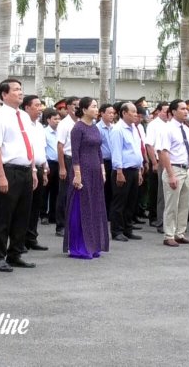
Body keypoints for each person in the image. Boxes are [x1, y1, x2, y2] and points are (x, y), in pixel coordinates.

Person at [0, 79, 38, 272]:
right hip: (9, 170)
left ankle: (15, 253)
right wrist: (1, 175)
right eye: (16, 89)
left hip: (26, 170)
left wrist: (33, 170)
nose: (20, 92)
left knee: (22, 216)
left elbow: (29, 145)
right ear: (4, 94)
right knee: (3, 216)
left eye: (20, 89)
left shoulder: (24, 116)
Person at [65, 97, 111, 258]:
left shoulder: (95, 127)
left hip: (95, 171)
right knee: (82, 207)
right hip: (82, 171)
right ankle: (80, 246)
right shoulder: (77, 128)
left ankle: (93, 244)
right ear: (84, 110)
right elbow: (75, 153)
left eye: (97, 106)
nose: (96, 109)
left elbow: (99, 151)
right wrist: (77, 175)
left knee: (94, 207)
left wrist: (102, 171)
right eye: (93, 106)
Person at [157, 99, 189, 246]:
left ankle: (179, 233)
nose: (186, 111)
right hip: (174, 168)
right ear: (173, 111)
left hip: (186, 169)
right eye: (182, 109)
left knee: (184, 204)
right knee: (172, 204)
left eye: (186, 109)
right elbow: (164, 153)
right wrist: (170, 174)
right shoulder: (167, 129)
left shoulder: (187, 129)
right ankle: (169, 235)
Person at [109, 102, 144, 242]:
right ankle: (117, 231)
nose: (136, 114)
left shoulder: (134, 128)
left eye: (136, 112)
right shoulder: (118, 129)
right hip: (123, 170)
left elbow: (136, 149)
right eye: (133, 112)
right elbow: (116, 151)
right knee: (119, 202)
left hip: (134, 169)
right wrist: (119, 171)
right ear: (124, 113)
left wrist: (139, 170)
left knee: (131, 202)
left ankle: (127, 229)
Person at [21, 95, 50, 252]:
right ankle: (20, 241)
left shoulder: (39, 126)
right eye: (37, 105)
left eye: (41, 106)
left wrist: (44, 170)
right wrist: (33, 170)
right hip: (28, 169)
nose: (40, 109)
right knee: (24, 207)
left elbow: (41, 149)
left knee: (36, 207)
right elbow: (28, 150)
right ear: (27, 107)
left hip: (39, 168)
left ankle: (31, 238)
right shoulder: (23, 125)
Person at [55, 96, 79, 237]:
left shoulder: (81, 122)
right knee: (64, 194)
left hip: (79, 161)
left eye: (79, 104)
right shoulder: (64, 124)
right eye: (74, 105)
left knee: (77, 193)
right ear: (68, 107)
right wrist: (62, 167)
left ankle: (73, 223)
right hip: (68, 159)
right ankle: (61, 225)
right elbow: (60, 146)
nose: (77, 107)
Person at [144, 103, 169, 230]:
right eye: (165, 111)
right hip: (158, 160)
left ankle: (164, 218)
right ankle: (154, 217)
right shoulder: (153, 125)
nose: (167, 113)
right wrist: (154, 162)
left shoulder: (169, 124)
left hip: (168, 161)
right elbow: (149, 145)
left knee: (165, 192)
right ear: (158, 112)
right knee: (156, 191)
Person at [96, 103, 116, 215]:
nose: (112, 115)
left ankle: (110, 212)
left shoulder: (114, 128)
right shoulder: (97, 128)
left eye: (113, 113)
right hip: (103, 161)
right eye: (109, 113)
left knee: (112, 188)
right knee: (103, 187)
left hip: (114, 161)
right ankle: (102, 212)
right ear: (102, 113)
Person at [42, 107, 61, 225]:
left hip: (60, 164)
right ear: (48, 120)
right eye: (55, 119)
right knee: (45, 190)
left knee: (56, 190)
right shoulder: (44, 132)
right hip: (49, 164)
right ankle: (43, 214)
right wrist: (45, 165)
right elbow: (43, 149)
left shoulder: (61, 132)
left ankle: (53, 215)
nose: (57, 121)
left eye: (59, 119)